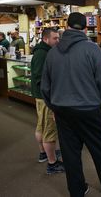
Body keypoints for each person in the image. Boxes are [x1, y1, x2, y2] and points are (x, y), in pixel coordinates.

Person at [41, 12, 101, 197]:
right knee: (100, 149)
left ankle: (77, 190)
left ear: (67, 26)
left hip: (62, 111)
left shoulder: (53, 52)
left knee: (70, 153)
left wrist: (54, 106)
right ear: (86, 28)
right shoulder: (92, 48)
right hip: (89, 109)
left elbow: (45, 86)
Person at [30, 28, 65, 174]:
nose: (58, 41)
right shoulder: (42, 54)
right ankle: (52, 163)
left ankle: (44, 153)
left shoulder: (45, 52)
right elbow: (39, 78)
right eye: (55, 38)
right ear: (46, 39)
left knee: (41, 126)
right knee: (49, 130)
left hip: (42, 97)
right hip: (46, 99)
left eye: (58, 38)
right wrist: (51, 97)